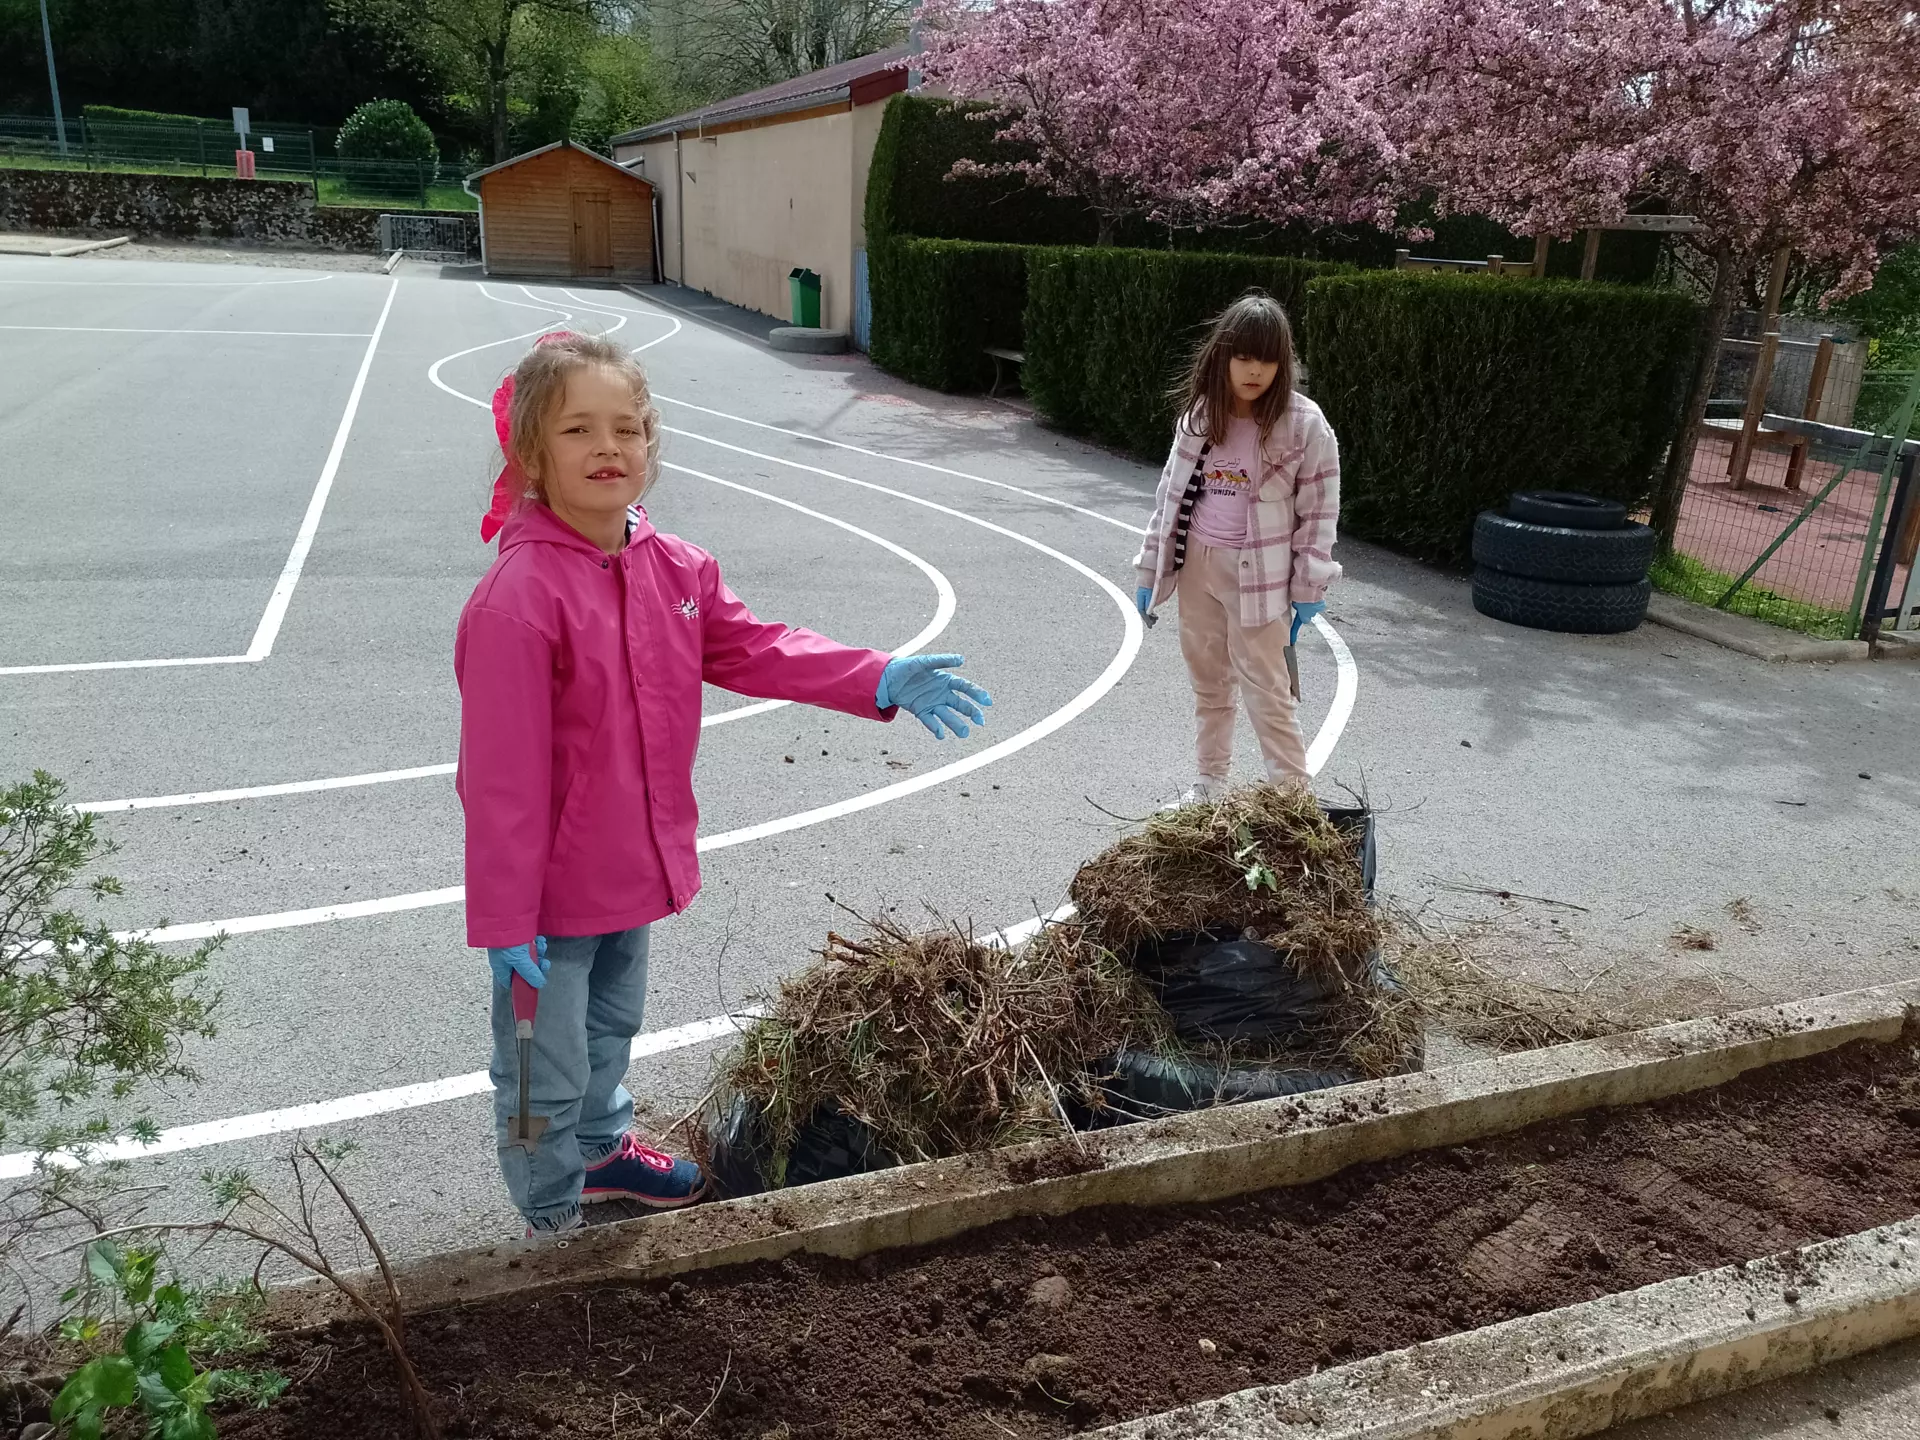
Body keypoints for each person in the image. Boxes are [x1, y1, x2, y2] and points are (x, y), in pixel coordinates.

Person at [456, 331, 991, 1238]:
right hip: (546, 898)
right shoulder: (520, 598)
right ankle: (546, 1219)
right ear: (533, 453)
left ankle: (600, 1150)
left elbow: (754, 647)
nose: (608, 448)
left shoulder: (675, 569)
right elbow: (499, 782)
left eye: (626, 427)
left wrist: (875, 675)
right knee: (535, 1061)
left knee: (609, 1026)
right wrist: (505, 921)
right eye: (579, 429)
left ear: (651, 443)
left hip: (630, 868)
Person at [1132, 290, 1341, 805]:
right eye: (1243, 356)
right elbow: (1170, 495)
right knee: (1209, 683)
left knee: (1269, 691)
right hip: (1198, 569)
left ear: (1283, 363)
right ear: (1221, 356)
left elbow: (1319, 510)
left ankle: (1294, 800)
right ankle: (1208, 784)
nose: (1255, 370)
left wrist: (1309, 585)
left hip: (1259, 578)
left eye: (1268, 359)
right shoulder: (1202, 415)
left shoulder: (1304, 424)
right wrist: (1148, 570)